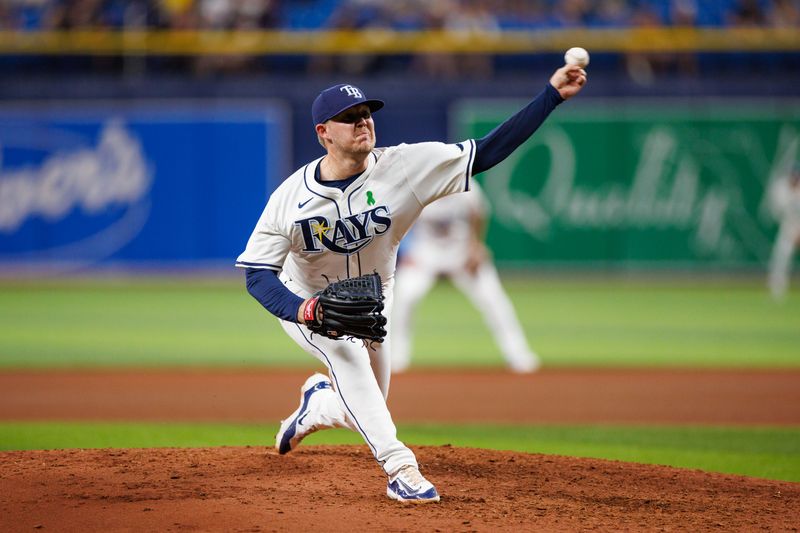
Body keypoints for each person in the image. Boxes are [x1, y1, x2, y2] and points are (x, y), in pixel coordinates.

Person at [235, 63, 586, 503]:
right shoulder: (289, 199)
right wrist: (305, 310)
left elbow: (489, 150)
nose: (363, 121)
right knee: (346, 356)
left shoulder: (405, 166)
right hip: (309, 298)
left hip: (375, 300)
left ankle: (316, 406)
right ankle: (401, 468)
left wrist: (550, 95)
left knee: (365, 402)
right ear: (324, 133)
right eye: (350, 116)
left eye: (366, 112)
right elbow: (257, 275)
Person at [391, 181, 541, 373]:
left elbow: (479, 213)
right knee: (404, 296)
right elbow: (400, 217)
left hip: (461, 253)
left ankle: (519, 355)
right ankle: (397, 357)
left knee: (493, 298)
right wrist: (406, 251)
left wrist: (475, 246)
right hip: (426, 254)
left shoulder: (464, 183)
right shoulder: (420, 182)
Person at [768, 163, 800, 300]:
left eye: (797, 176)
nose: (795, 178)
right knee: (780, 258)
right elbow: (778, 213)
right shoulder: (780, 189)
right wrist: (792, 231)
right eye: (793, 176)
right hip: (788, 227)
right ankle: (777, 293)